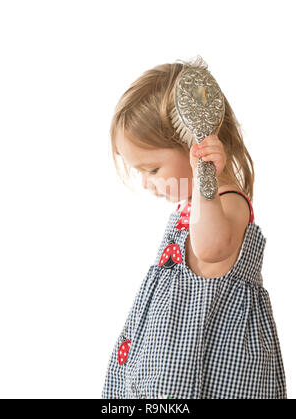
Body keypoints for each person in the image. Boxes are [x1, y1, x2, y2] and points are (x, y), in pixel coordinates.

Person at [101, 60, 287, 399]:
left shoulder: (226, 201)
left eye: (152, 169)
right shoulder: (194, 206)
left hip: (212, 370)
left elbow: (210, 247)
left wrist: (205, 178)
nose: (146, 183)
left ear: (193, 146)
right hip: (176, 366)